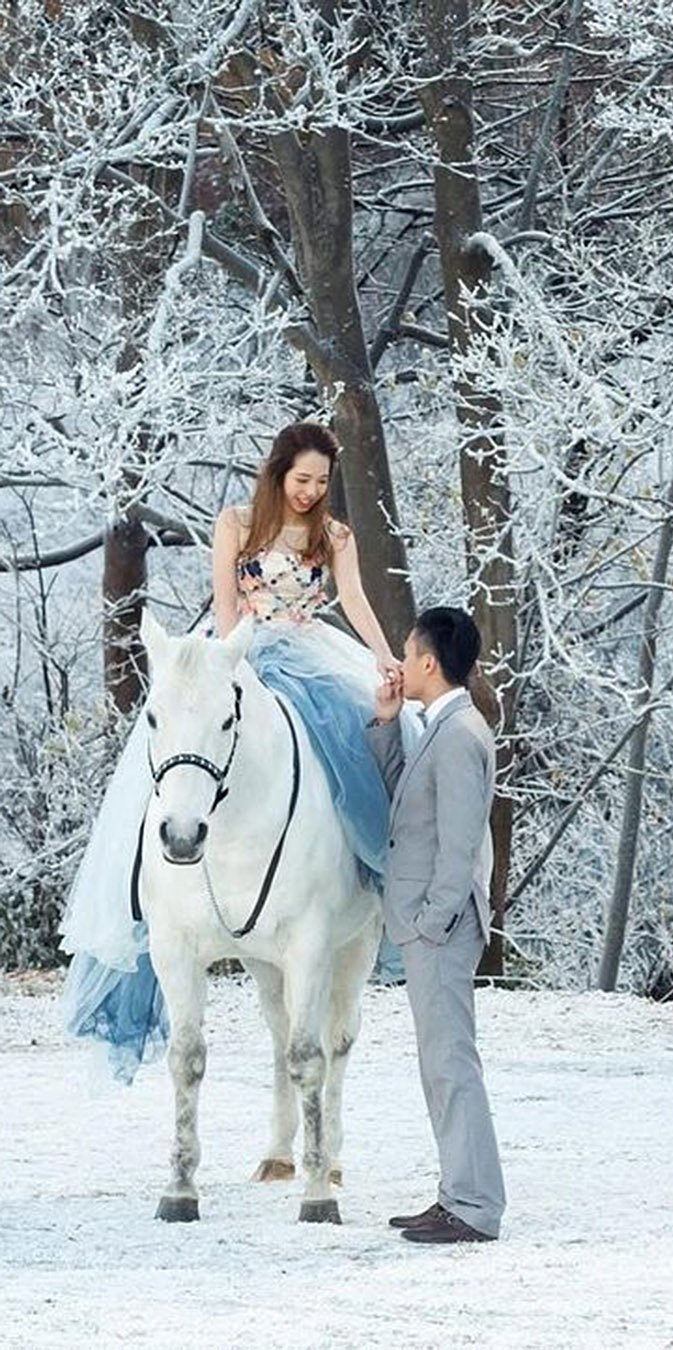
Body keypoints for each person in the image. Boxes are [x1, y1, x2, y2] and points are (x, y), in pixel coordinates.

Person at [61, 421, 405, 1080]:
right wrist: (228, 670)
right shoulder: (237, 522)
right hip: (233, 655)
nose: (310, 491)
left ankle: (370, 876)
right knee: (166, 761)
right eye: (301, 479)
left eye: (321, 483)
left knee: (356, 747)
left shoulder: (335, 536)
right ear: (278, 473)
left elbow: (354, 601)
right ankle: (147, 898)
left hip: (310, 655)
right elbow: (225, 607)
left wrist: (385, 657)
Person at [367, 606, 506, 1244]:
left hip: (441, 930)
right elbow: (409, 806)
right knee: (440, 1062)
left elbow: (457, 847)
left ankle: (473, 1206)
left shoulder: (458, 736)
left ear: (428, 661)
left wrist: (430, 922)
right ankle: (457, 1194)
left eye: (405, 647)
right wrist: (388, 726)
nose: (398, 656)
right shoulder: (443, 728)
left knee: (451, 1063)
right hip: (434, 926)